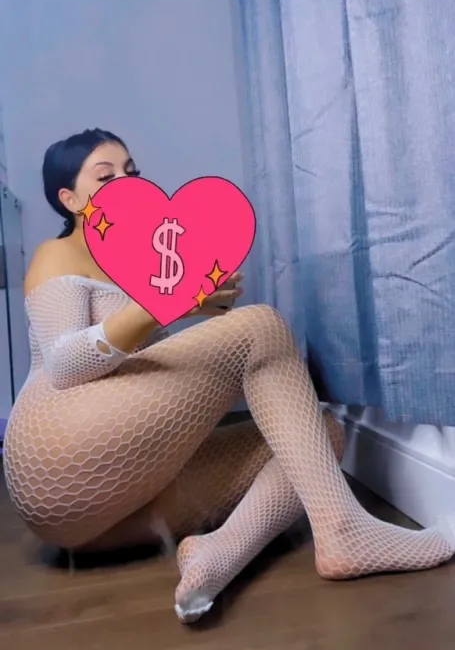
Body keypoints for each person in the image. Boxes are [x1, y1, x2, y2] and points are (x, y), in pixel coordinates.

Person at [3, 128, 455, 625]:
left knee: (323, 434)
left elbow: (135, 359)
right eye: (105, 177)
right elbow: (65, 366)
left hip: (103, 513)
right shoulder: (58, 253)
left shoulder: (139, 260)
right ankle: (345, 529)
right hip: (53, 451)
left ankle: (220, 554)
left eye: (132, 172)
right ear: (69, 199)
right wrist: (163, 305)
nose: (127, 183)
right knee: (261, 326)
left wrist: (191, 305)